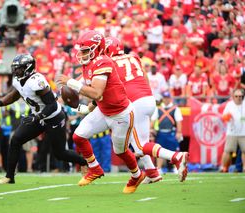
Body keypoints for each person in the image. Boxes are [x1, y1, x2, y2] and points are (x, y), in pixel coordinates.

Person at [57, 30, 145, 194]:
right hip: (104, 110)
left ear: (97, 49)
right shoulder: (90, 63)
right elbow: (83, 83)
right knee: (78, 136)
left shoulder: (103, 62)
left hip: (120, 114)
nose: (81, 54)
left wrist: (69, 82)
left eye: (85, 50)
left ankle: (137, 175)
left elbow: (97, 93)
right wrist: (62, 93)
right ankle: (95, 168)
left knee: (121, 151)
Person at [0, 54, 87, 184]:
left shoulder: (37, 81)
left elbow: (52, 105)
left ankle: (84, 162)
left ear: (28, 68)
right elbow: (13, 95)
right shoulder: (18, 80)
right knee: (16, 139)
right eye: (15, 68)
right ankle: (9, 176)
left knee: (60, 153)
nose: (15, 71)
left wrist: (37, 117)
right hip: (38, 116)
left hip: (53, 117)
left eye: (18, 68)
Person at [104, 37, 188, 182]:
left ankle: (176, 156)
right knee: (139, 142)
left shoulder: (109, 63)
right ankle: (151, 172)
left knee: (141, 145)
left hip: (135, 102)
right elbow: (144, 76)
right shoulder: (133, 56)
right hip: (148, 97)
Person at [151, 91, 183, 174]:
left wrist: (179, 132)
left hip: (171, 132)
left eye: (167, 98)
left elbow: (178, 121)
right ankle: (159, 168)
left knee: (174, 150)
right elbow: (153, 120)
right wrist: (151, 129)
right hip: (160, 132)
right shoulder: (158, 109)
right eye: (165, 98)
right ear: (163, 99)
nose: (166, 100)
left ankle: (176, 168)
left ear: (170, 98)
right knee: (159, 151)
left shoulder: (175, 109)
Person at [220, 89, 245, 172]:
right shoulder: (229, 105)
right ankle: (223, 167)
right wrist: (226, 117)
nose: (238, 98)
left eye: (240, 96)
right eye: (236, 96)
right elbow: (223, 116)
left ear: (243, 97)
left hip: (244, 132)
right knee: (227, 151)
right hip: (232, 131)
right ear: (233, 97)